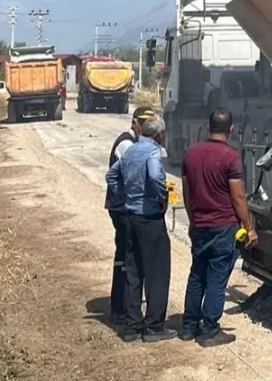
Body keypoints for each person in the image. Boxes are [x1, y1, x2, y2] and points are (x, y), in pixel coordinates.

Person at [180, 108, 258, 347]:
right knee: (216, 278)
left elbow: (187, 192)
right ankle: (210, 330)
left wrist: (193, 220)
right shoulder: (231, 157)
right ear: (231, 128)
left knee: (197, 275)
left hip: (201, 225)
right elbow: (238, 198)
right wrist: (249, 227)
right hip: (224, 227)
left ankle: (188, 327)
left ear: (208, 125)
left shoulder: (191, 154)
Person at [106, 115, 175, 342]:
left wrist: (123, 195)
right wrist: (161, 196)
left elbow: (111, 175)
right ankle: (154, 326)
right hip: (150, 218)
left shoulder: (131, 151)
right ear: (159, 135)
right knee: (156, 272)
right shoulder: (153, 152)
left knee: (133, 271)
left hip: (131, 216)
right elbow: (155, 175)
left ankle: (132, 325)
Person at [105, 106, 155, 330]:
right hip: (122, 208)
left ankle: (122, 305)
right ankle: (122, 307)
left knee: (125, 256)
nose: (145, 126)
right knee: (128, 257)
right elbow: (126, 173)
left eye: (149, 122)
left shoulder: (134, 142)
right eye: (143, 122)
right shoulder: (127, 144)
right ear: (134, 122)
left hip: (123, 205)